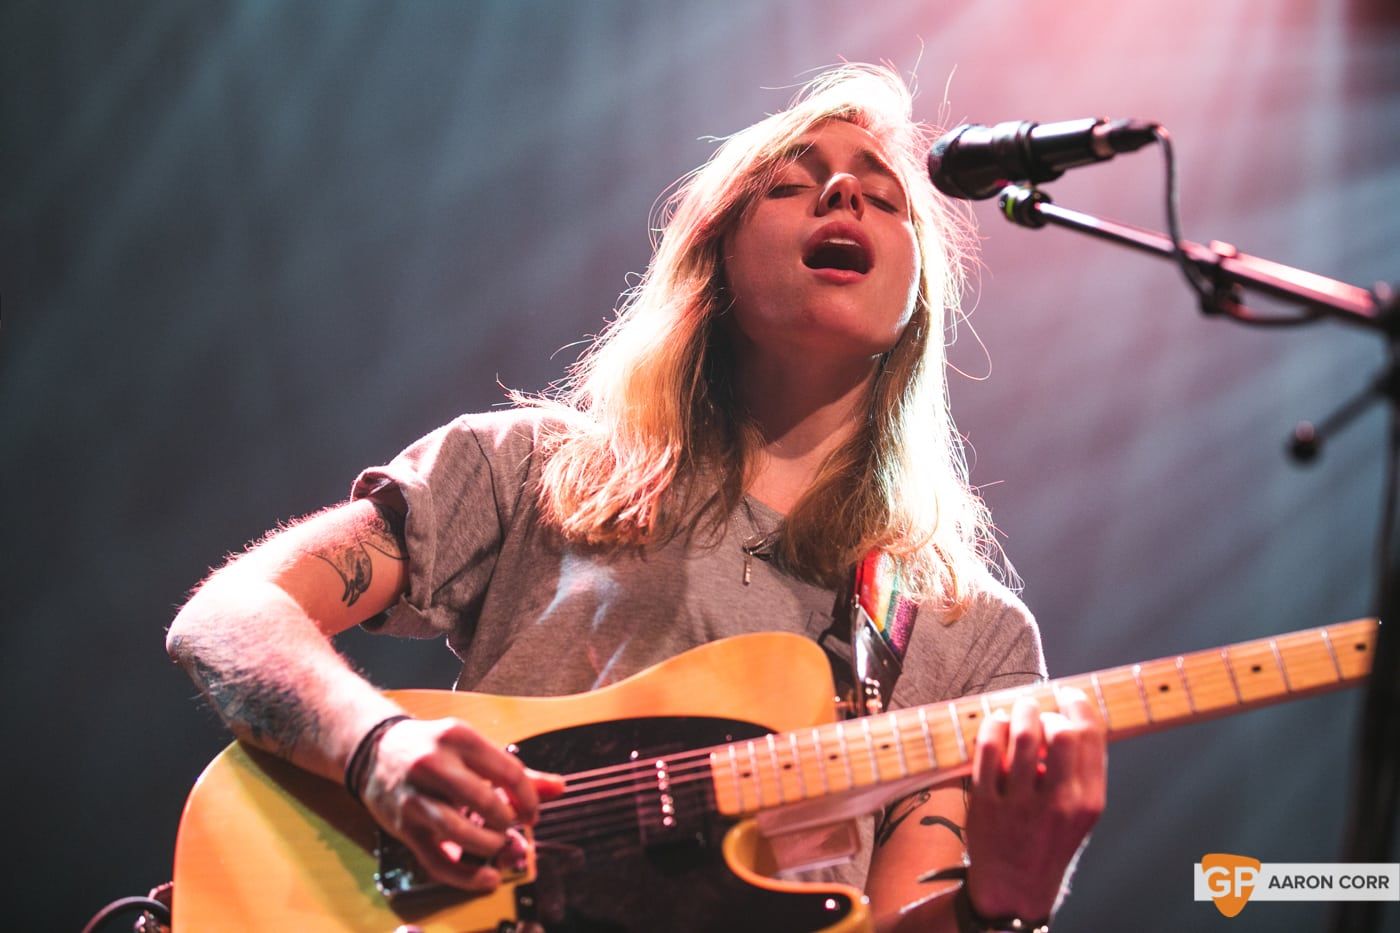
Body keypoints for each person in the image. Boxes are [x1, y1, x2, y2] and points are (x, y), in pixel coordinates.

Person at [167, 63, 1106, 932]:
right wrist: (379, 748)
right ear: (714, 262)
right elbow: (231, 616)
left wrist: (1004, 902)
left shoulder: (965, 633)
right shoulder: (532, 465)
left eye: (886, 193)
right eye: (790, 180)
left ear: (916, 296)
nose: (844, 192)